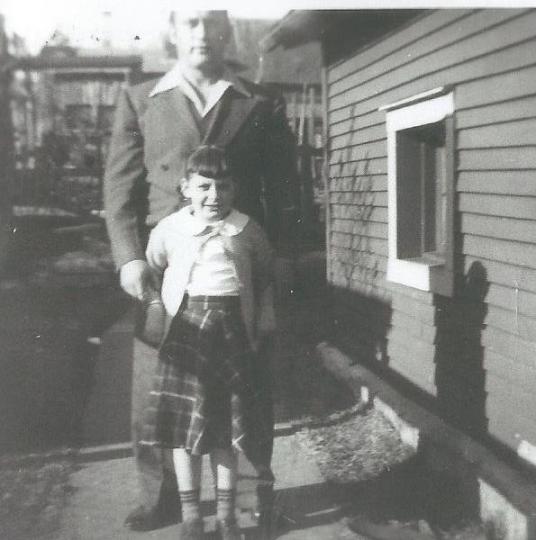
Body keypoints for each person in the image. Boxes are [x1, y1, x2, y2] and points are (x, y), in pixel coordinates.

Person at [103, 9, 297, 531]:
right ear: (173, 32)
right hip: (166, 272)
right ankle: (162, 497)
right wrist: (129, 257)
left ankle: (252, 502)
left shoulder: (259, 101)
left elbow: (285, 191)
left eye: (212, 21)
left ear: (226, 31)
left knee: (246, 390)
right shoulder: (141, 99)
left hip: (237, 270)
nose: (202, 33)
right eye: (190, 21)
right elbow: (119, 193)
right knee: (161, 390)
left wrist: (281, 259)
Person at [139, 145, 275, 540]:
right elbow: (153, 269)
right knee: (185, 430)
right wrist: (155, 308)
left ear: (235, 189)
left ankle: (227, 517)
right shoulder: (170, 229)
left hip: (232, 334)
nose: (214, 196)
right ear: (185, 187)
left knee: (226, 430)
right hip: (185, 334)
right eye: (203, 187)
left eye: (224, 186)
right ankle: (191, 517)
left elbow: (265, 275)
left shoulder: (247, 230)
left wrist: (264, 317)